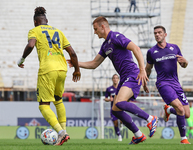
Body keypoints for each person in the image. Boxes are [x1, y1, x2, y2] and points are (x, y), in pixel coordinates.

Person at [67, 16, 158, 145]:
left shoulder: (116, 36)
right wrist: (76, 63)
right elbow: (94, 64)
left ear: (103, 27)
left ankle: (150, 118)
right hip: (124, 77)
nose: (94, 32)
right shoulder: (105, 45)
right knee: (115, 110)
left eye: (95, 29)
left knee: (119, 103)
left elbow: (136, 48)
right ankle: (138, 135)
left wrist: (142, 69)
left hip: (132, 74)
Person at [17, 7, 81, 146]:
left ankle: (61, 133)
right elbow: (73, 53)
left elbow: (30, 45)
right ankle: (64, 133)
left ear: (35, 22)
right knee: (58, 100)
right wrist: (77, 70)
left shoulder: (34, 30)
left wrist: (22, 59)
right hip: (62, 69)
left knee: (44, 105)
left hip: (47, 70)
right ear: (47, 21)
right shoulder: (58, 31)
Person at [143, 25, 190, 144]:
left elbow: (183, 65)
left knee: (187, 114)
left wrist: (186, 62)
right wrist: (144, 82)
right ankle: (183, 139)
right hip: (163, 84)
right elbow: (148, 69)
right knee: (180, 108)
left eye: (159, 32)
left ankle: (168, 110)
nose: (157, 35)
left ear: (165, 34)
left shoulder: (174, 48)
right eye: (155, 33)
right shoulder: (152, 52)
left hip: (176, 84)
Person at [104, 74, 123, 141]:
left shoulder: (121, 88)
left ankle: (121, 123)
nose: (115, 79)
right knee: (115, 122)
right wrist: (109, 100)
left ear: (118, 79)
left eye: (116, 78)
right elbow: (105, 98)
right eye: (114, 78)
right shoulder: (109, 89)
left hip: (120, 108)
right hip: (113, 108)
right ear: (112, 79)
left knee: (122, 120)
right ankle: (119, 135)